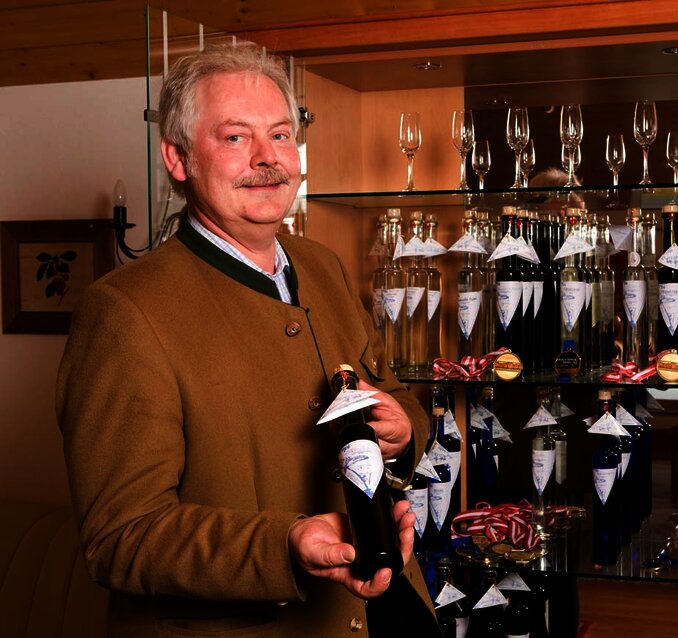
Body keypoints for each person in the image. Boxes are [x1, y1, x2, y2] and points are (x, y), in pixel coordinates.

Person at [56, 43, 439, 637]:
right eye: (235, 138)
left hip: (388, 608)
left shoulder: (322, 265)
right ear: (178, 159)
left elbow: (388, 391)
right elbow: (120, 537)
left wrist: (404, 426)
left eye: (281, 135)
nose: (268, 159)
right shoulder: (124, 311)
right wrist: (284, 544)